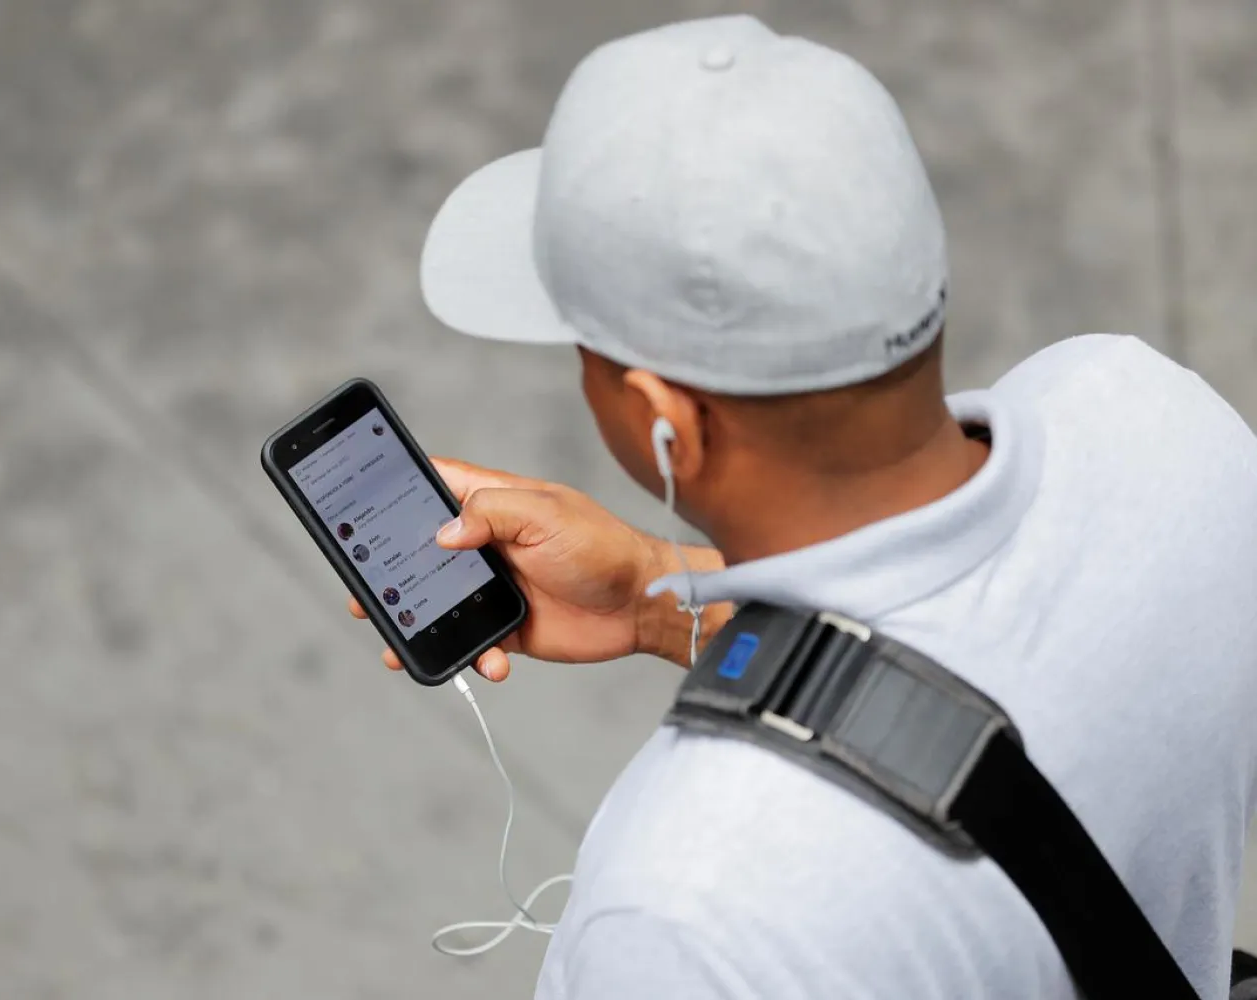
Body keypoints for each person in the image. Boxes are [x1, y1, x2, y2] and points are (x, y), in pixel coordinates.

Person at [347, 14, 1257, 999]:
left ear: (666, 425)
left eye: (587, 353)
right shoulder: (1147, 412)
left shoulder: (687, 913)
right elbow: (1008, 649)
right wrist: (659, 597)